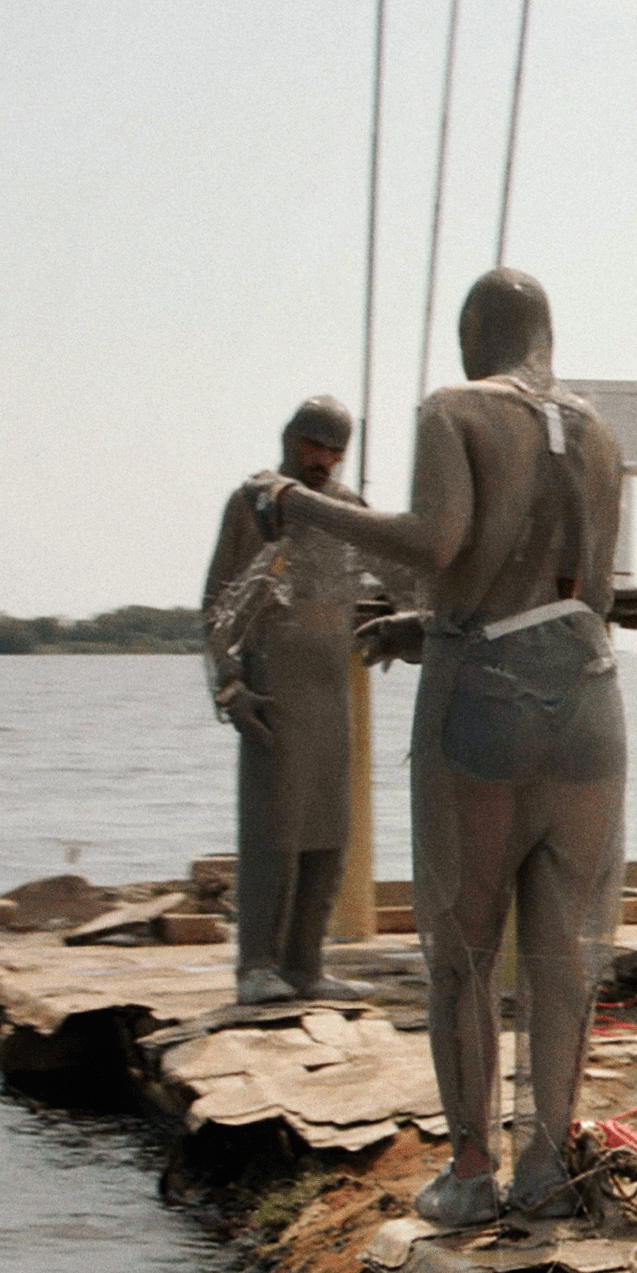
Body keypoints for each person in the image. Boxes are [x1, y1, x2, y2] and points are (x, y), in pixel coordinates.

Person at [257, 269, 626, 1228]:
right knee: (561, 952)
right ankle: (549, 1164)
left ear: (474, 332)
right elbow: (588, 592)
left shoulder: (454, 407)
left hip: (486, 707)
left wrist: (300, 504)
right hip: (591, 700)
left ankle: (470, 1174)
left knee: (461, 946)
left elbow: (434, 538)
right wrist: (420, 628)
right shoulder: (600, 429)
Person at [204, 396, 378, 1005]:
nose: (324, 460)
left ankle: (305, 964)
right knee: (272, 833)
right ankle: (255, 964)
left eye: (336, 450)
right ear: (290, 439)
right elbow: (217, 608)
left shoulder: (351, 510)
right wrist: (228, 685)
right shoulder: (256, 504)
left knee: (329, 833)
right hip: (273, 686)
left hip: (332, 689)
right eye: (315, 446)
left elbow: (382, 584)